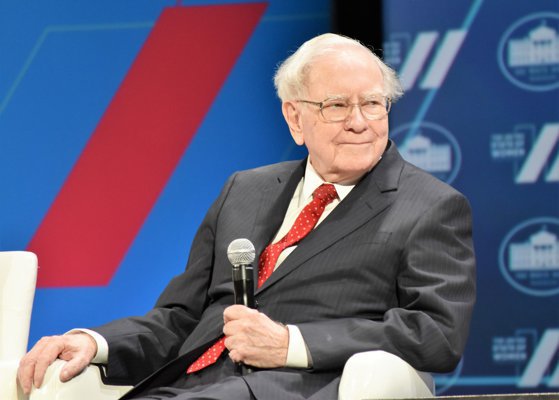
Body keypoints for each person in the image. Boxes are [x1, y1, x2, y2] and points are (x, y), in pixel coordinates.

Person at [18, 33, 476, 400]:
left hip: (291, 387)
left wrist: (290, 343)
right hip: (187, 386)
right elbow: (180, 318)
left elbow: (437, 332)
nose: (360, 121)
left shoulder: (429, 205)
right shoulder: (245, 190)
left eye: (373, 103)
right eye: (337, 105)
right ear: (295, 118)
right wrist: (94, 342)